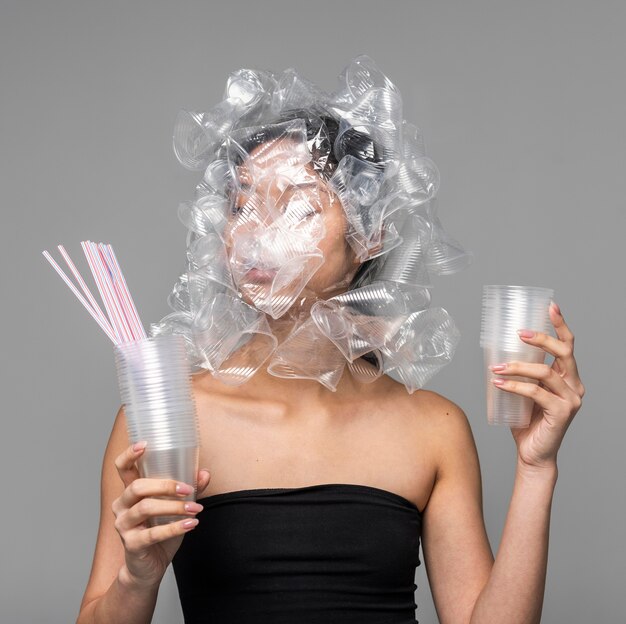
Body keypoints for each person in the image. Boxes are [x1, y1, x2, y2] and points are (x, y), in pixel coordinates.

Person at [76, 58, 585, 624]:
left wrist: (537, 470)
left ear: (371, 233)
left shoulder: (433, 428)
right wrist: (136, 576)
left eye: (297, 205)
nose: (257, 230)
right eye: (242, 203)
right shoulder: (168, 420)